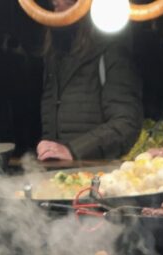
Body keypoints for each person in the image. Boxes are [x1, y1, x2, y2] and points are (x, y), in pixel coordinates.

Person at [36, 0, 143, 161]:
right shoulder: (53, 57)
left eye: (69, 3)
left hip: (97, 174)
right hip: (59, 174)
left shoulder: (110, 52)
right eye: (56, 5)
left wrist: (74, 150)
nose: (60, 12)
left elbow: (126, 123)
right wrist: (48, 148)